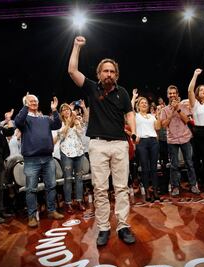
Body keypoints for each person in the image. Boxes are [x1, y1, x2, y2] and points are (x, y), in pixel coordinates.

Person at [68, 35, 136, 246]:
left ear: (116, 75)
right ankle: (104, 228)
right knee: (99, 189)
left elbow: (130, 112)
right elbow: (72, 71)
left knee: (122, 187)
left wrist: (133, 131)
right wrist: (76, 47)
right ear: (99, 74)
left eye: (112, 71)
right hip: (97, 144)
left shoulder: (123, 92)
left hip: (119, 144)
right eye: (105, 71)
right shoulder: (91, 87)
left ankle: (123, 226)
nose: (108, 74)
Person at [14, 93, 63, 228]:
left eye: (35, 101)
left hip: (48, 158)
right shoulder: (24, 120)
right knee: (31, 189)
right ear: (26, 104)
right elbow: (17, 122)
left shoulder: (45, 119)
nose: (34, 103)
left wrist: (54, 110)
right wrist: (25, 107)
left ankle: (52, 210)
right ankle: (31, 216)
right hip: (31, 160)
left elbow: (58, 125)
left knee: (51, 185)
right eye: (30, 101)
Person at [160, 85, 200, 196]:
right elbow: (163, 125)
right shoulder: (164, 110)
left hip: (185, 137)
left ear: (177, 94)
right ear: (167, 95)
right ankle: (175, 187)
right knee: (174, 165)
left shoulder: (184, 106)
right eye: (170, 93)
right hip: (172, 139)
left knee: (189, 163)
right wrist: (172, 112)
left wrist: (178, 109)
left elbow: (187, 120)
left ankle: (193, 185)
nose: (172, 95)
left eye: (174, 93)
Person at [56, 103, 86, 214]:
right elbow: (60, 136)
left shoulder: (76, 120)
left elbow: (81, 133)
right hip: (66, 153)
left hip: (79, 152)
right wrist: (68, 124)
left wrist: (77, 123)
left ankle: (79, 201)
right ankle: (68, 203)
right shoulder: (59, 123)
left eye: (68, 109)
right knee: (68, 179)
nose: (66, 111)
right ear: (61, 112)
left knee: (79, 178)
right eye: (63, 110)